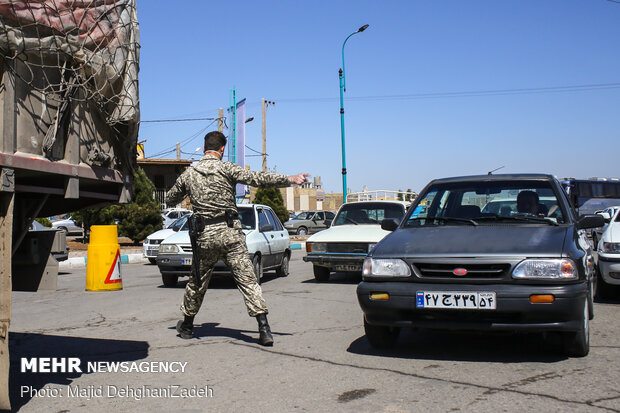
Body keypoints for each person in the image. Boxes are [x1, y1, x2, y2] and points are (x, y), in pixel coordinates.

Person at [165, 131, 308, 346]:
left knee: (197, 281)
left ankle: (186, 326)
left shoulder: (189, 174)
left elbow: (169, 199)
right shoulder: (227, 168)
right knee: (248, 281)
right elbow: (258, 178)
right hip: (232, 234)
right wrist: (290, 179)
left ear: (204, 148)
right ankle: (264, 328)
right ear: (222, 149)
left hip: (205, 237)